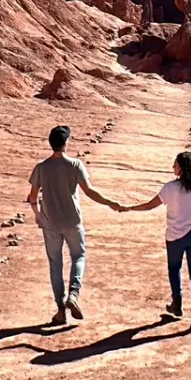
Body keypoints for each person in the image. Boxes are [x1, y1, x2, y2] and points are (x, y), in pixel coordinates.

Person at [111, 151, 191, 332]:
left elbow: (151, 205)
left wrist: (130, 208)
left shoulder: (171, 188)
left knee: (174, 269)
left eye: (175, 164)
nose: (172, 167)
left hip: (175, 237)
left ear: (181, 168)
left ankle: (177, 304)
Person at [26, 124, 118, 326]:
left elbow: (33, 196)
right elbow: (90, 191)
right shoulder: (75, 165)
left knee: (55, 264)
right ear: (66, 143)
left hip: (50, 223)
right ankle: (73, 295)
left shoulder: (41, 168)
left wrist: (37, 214)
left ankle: (60, 310)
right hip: (72, 221)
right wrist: (111, 203)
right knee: (78, 256)